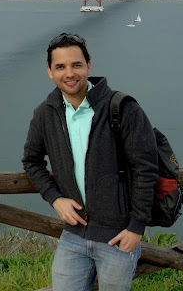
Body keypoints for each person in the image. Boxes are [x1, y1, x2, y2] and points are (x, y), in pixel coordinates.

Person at [22, 33, 158, 291]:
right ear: (49, 71)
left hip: (118, 236)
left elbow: (145, 169)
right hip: (73, 235)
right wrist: (55, 198)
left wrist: (136, 227)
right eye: (60, 67)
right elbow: (32, 161)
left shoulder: (122, 108)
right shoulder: (45, 113)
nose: (69, 73)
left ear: (89, 65)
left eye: (76, 65)